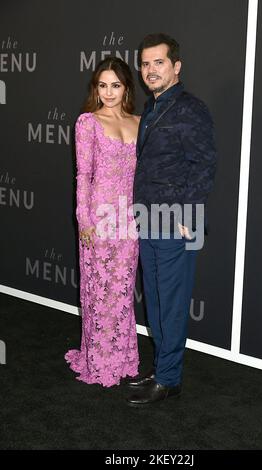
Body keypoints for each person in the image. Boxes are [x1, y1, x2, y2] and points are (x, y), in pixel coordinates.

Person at [126, 33, 217, 404]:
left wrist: (187, 216)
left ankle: (169, 379)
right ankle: (163, 369)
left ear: (176, 67)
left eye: (158, 63)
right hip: (148, 217)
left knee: (173, 302)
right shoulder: (152, 107)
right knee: (158, 303)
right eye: (145, 64)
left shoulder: (190, 109)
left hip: (175, 221)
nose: (150, 70)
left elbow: (204, 165)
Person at [65, 57, 140, 387]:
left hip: (129, 219)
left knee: (122, 290)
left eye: (116, 85)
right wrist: (84, 219)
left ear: (126, 88)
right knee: (99, 290)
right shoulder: (88, 123)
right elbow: (83, 174)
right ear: (95, 88)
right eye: (102, 85)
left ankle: (122, 357)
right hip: (99, 216)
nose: (108, 92)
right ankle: (98, 360)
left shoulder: (141, 121)